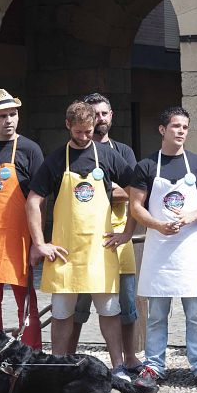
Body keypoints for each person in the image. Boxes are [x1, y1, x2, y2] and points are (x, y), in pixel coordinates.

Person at [25, 100, 135, 376]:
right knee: (62, 312)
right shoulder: (55, 159)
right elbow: (33, 200)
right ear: (68, 126)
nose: (85, 137)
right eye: (79, 132)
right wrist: (39, 243)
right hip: (65, 251)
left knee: (110, 310)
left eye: (88, 131)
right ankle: (57, 367)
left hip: (100, 249)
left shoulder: (108, 156)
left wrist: (127, 232)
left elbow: (137, 192)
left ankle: (118, 367)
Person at [129, 106, 197, 391]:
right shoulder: (145, 166)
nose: (181, 131)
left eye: (184, 127)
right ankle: (154, 366)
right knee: (156, 313)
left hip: (191, 248)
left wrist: (191, 217)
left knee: (195, 312)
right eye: (175, 126)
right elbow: (135, 207)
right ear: (162, 130)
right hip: (160, 248)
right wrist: (156, 224)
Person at [69, 93, 144, 378]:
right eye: (94, 115)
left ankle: (130, 357)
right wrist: (108, 192)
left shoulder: (122, 151)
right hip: (83, 239)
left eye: (104, 114)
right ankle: (70, 357)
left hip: (117, 236)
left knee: (125, 302)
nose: (100, 119)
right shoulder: (72, 152)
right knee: (77, 303)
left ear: (111, 115)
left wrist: (106, 194)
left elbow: (133, 190)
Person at [0, 89, 45, 350]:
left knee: (26, 302)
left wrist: (39, 241)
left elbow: (40, 198)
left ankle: (30, 354)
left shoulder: (30, 149)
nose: (9, 120)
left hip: (18, 238)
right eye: (2, 115)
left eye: (13, 114)